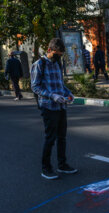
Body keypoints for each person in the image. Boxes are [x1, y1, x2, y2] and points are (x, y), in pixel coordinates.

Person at [31, 38, 78, 180]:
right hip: (48, 106)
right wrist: (52, 96)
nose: (59, 57)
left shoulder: (57, 64)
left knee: (62, 138)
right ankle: (46, 169)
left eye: (61, 55)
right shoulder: (39, 64)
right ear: (50, 50)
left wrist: (68, 94)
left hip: (61, 106)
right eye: (57, 54)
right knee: (50, 138)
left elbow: (60, 85)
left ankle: (62, 165)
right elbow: (35, 87)